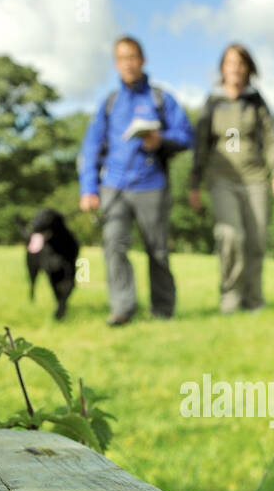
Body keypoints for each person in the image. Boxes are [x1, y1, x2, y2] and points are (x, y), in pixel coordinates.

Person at [78, 37, 193, 325]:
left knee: (157, 250)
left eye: (132, 57)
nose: (127, 63)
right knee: (113, 245)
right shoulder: (110, 103)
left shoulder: (160, 99)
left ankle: (163, 310)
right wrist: (88, 189)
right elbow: (90, 147)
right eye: (121, 58)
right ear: (116, 64)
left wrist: (161, 140)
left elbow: (185, 136)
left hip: (152, 185)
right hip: (113, 187)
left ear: (142, 60)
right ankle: (122, 307)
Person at [188, 43, 274, 313]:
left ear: (248, 68)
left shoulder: (256, 101)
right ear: (222, 68)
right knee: (231, 235)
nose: (235, 68)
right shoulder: (213, 103)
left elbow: (272, 139)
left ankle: (253, 299)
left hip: (255, 178)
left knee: (256, 239)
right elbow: (200, 145)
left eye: (240, 63)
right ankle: (230, 297)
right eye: (230, 63)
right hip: (221, 179)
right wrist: (194, 183)